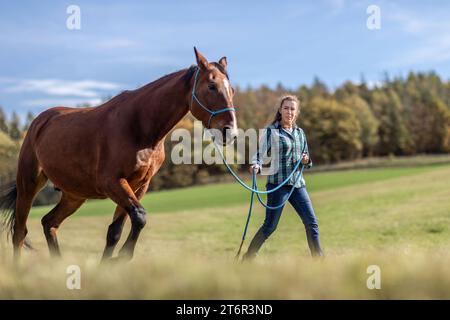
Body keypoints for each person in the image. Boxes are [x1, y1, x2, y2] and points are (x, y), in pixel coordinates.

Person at [244, 95, 324, 260]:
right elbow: (259, 155)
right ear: (280, 110)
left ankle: (320, 261)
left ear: (297, 112)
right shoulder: (271, 131)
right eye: (286, 108)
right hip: (277, 185)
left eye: (292, 109)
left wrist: (306, 160)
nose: (289, 111)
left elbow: (307, 161)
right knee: (269, 227)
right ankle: (248, 258)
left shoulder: (300, 133)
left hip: (297, 185)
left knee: (312, 223)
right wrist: (256, 165)